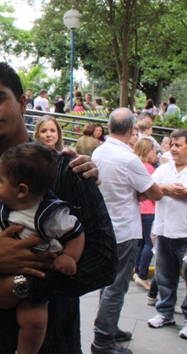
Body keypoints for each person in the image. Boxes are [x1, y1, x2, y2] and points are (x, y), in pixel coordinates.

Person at [0, 60, 116, 354]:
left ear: (22, 102)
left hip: (54, 343)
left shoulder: (69, 173)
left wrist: (22, 285)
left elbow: (105, 262)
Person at [0, 143, 85, 354]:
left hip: (30, 278)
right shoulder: (0, 207)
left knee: (34, 320)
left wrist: (69, 256)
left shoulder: (51, 214)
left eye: (1, 181)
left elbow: (76, 234)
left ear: (21, 190)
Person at [90, 108, 162, 354]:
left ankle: (108, 327)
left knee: (108, 283)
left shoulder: (99, 152)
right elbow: (155, 192)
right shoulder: (128, 159)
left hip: (104, 228)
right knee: (117, 286)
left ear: (109, 127)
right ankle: (103, 340)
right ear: (132, 130)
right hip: (124, 230)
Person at [146, 129, 187, 340]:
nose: (173, 149)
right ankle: (165, 313)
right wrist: (167, 188)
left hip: (184, 233)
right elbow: (150, 189)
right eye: (172, 145)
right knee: (165, 277)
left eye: (178, 145)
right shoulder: (164, 169)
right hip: (163, 232)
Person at [132, 139, 159, 292]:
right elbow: (153, 190)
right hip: (149, 209)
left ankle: (138, 269)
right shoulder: (148, 168)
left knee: (141, 243)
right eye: (152, 149)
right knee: (149, 243)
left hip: (139, 210)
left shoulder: (137, 166)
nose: (154, 152)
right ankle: (142, 274)